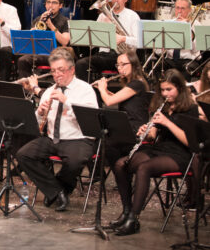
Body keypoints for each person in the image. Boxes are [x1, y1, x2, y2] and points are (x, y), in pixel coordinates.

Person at [111, 69, 198, 235]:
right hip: (160, 148)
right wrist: (146, 131)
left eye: (169, 89)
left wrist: (167, 122)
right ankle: (127, 211)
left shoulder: (190, 108)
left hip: (180, 153)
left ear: (179, 88)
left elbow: (190, 141)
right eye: (162, 90)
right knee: (121, 164)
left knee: (144, 168)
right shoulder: (163, 106)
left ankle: (133, 219)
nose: (165, 94)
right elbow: (153, 137)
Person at [15, 47, 98, 212]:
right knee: (23, 155)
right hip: (52, 138)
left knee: (75, 162)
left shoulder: (85, 90)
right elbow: (37, 124)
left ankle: (59, 188)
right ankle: (57, 191)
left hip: (78, 138)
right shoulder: (50, 91)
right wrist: (39, 112)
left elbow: (91, 120)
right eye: (53, 71)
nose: (57, 75)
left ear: (72, 69)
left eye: (61, 70)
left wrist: (67, 101)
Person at [94, 50, 149, 168]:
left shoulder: (137, 83)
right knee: (101, 140)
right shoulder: (132, 83)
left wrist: (102, 89)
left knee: (106, 143)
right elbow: (116, 98)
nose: (120, 68)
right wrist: (106, 91)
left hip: (136, 129)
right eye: (118, 65)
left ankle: (123, 175)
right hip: (127, 127)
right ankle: (122, 175)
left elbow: (109, 102)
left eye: (123, 64)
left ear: (134, 64)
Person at [75, 0, 140, 81]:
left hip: (123, 56)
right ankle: (92, 91)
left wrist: (123, 38)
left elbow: (140, 41)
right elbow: (92, 40)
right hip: (103, 55)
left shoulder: (133, 16)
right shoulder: (102, 16)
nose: (115, 0)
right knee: (81, 64)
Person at [18, 0, 70, 78]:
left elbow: (65, 41)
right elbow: (29, 40)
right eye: (48, 2)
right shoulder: (38, 19)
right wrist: (35, 28)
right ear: (45, 5)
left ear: (60, 6)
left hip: (57, 53)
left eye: (54, 3)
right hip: (40, 53)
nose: (50, 5)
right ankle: (28, 86)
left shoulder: (65, 21)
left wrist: (51, 26)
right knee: (22, 60)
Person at [157, 0, 199, 81]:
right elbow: (157, 51)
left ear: (189, 10)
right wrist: (161, 48)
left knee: (185, 74)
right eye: (177, 8)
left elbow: (197, 53)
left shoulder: (196, 25)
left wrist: (189, 31)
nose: (179, 11)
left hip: (188, 61)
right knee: (156, 68)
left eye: (183, 8)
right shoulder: (167, 23)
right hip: (170, 60)